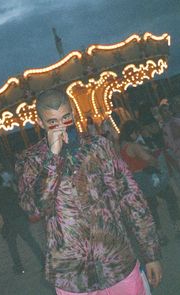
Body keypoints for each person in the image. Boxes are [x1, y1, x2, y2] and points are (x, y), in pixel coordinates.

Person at [15, 89, 162, 295]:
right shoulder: (30, 160)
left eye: (66, 118)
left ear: (73, 113)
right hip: (72, 274)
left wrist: (150, 253)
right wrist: (52, 159)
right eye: (53, 122)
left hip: (117, 261)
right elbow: (33, 207)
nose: (62, 126)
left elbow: (131, 198)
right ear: (40, 123)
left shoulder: (98, 146)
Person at [0, 175, 44, 275]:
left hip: (9, 221)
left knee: (12, 245)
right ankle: (43, 262)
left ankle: (19, 267)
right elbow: (19, 200)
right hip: (19, 217)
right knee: (31, 241)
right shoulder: (8, 189)